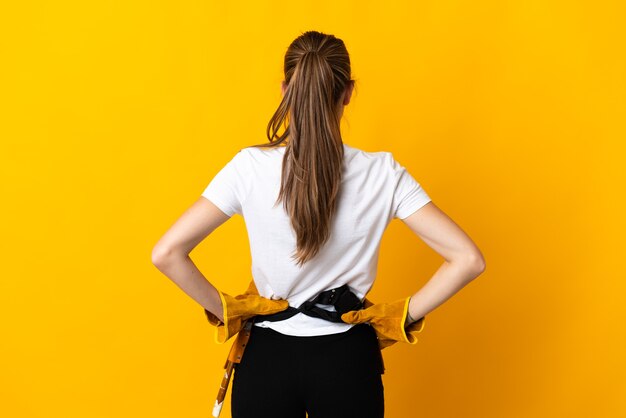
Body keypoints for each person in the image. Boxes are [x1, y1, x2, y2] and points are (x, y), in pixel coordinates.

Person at [152, 30, 486, 418]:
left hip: (265, 362)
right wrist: (400, 318)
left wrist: (231, 310)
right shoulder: (384, 173)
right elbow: (468, 260)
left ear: (285, 90)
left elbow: (167, 253)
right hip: (347, 361)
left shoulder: (248, 168)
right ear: (347, 92)